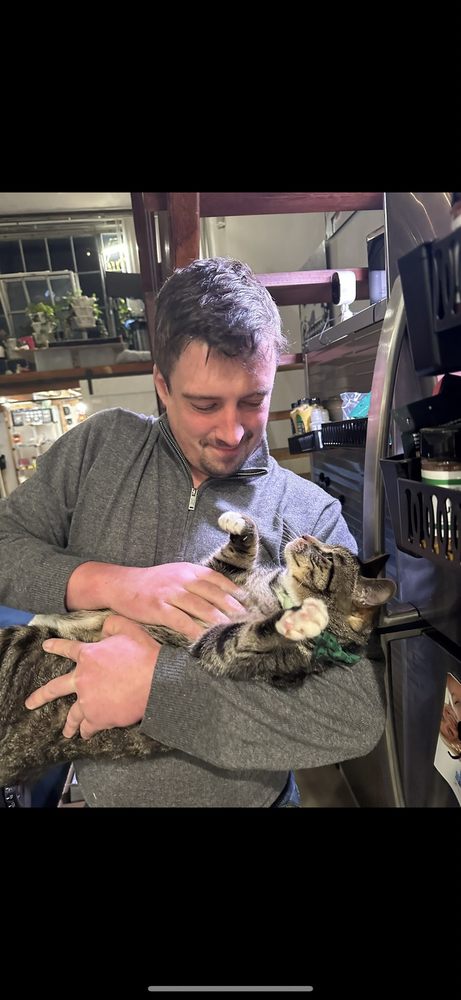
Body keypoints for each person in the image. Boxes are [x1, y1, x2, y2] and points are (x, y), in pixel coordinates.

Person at [0, 257, 387, 807]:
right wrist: (113, 584)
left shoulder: (311, 517)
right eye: (205, 405)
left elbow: (352, 717)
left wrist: (156, 689)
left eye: (253, 400)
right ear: (162, 385)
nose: (232, 431)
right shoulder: (98, 450)